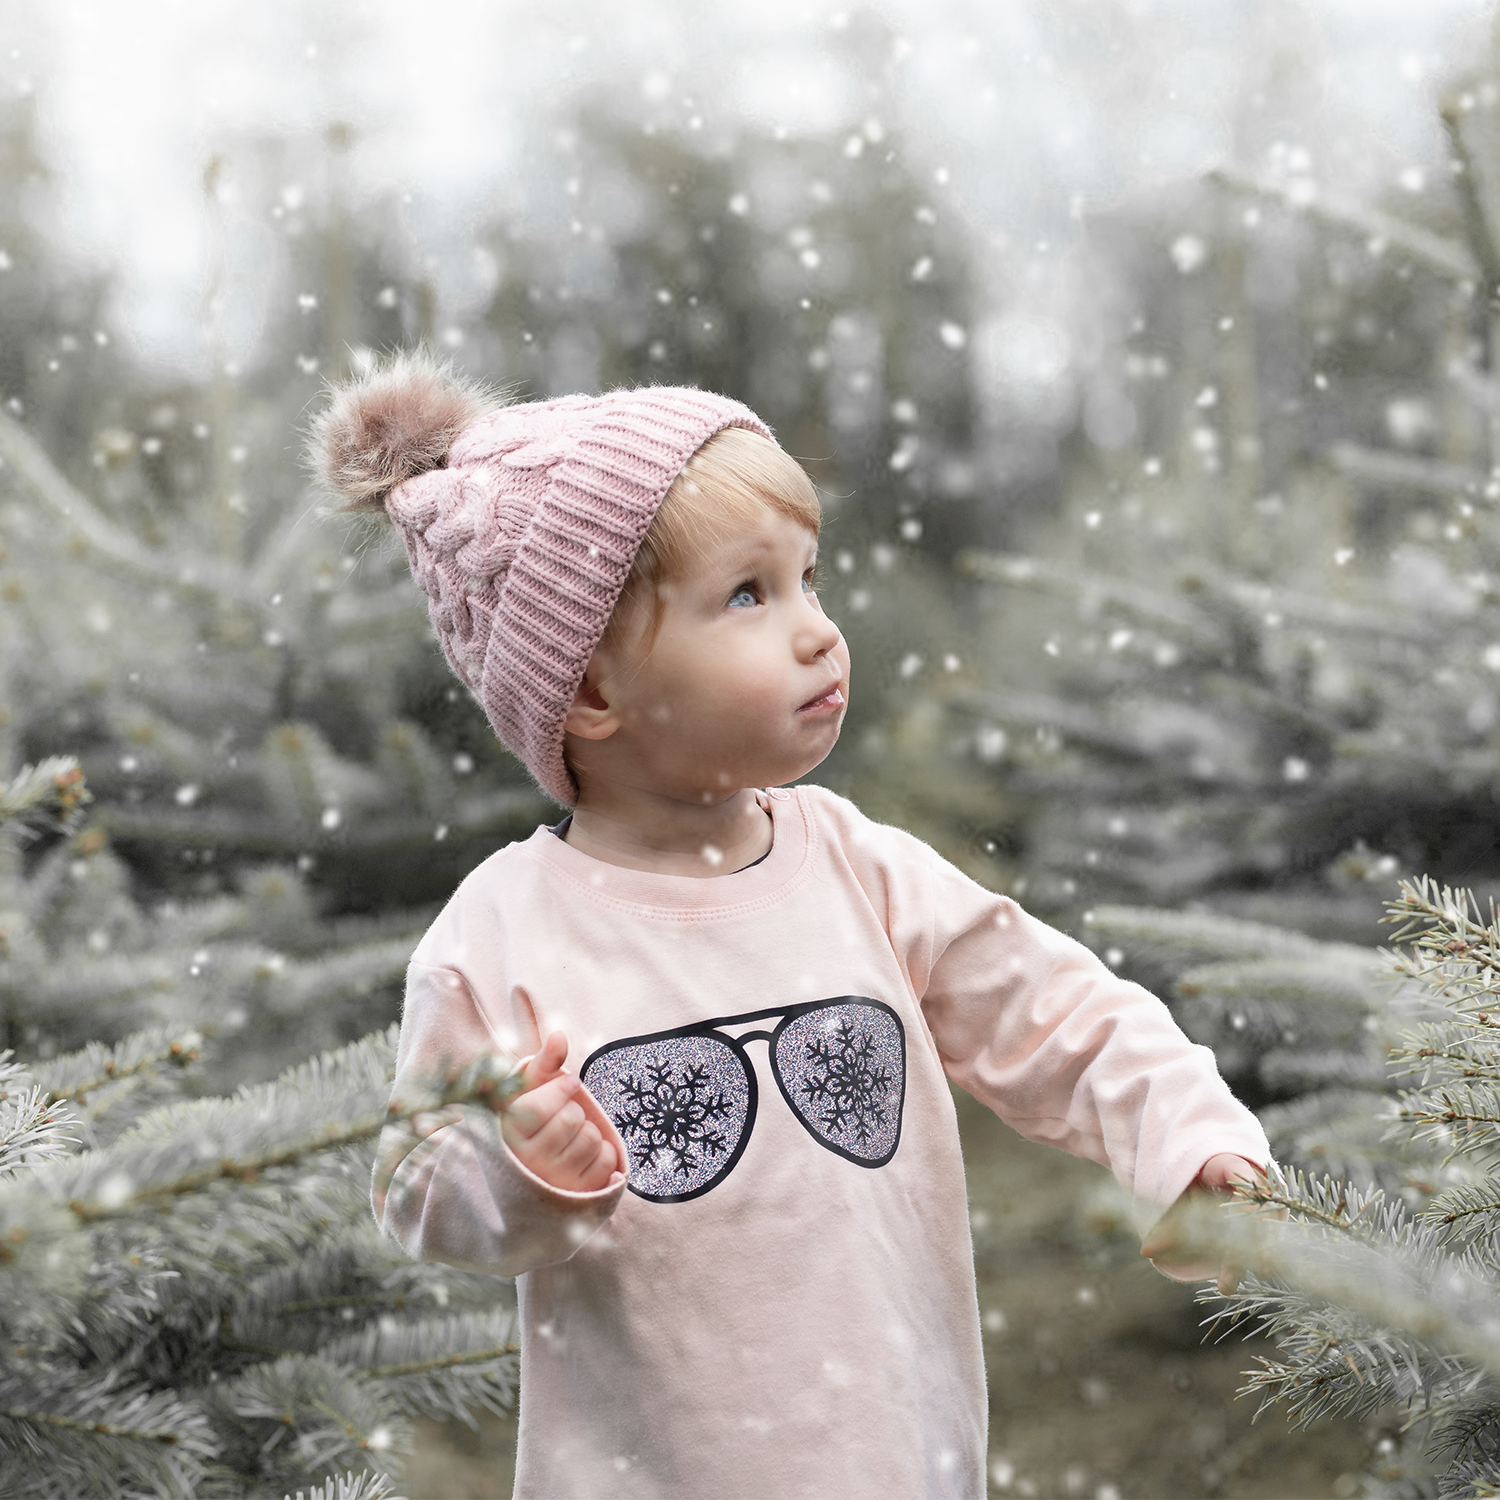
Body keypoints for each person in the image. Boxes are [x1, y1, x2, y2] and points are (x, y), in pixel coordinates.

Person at [311, 352, 1272, 1500]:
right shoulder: (502, 930)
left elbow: (1060, 1011)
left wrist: (1189, 1135)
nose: (818, 631)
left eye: (810, 579)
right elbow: (418, 1188)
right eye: (749, 595)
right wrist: (516, 1161)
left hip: (896, 1462)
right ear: (592, 692)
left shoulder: (857, 868)